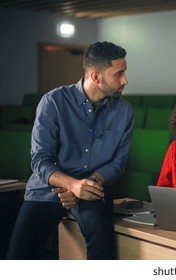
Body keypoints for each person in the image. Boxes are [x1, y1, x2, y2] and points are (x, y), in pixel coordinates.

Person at [7, 41, 134, 260]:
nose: (125, 80)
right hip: (46, 190)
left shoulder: (124, 111)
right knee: (18, 258)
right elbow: (40, 160)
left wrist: (86, 184)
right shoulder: (53, 102)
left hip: (94, 189)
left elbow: (118, 163)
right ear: (95, 76)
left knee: (103, 247)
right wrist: (72, 185)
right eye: (119, 74)